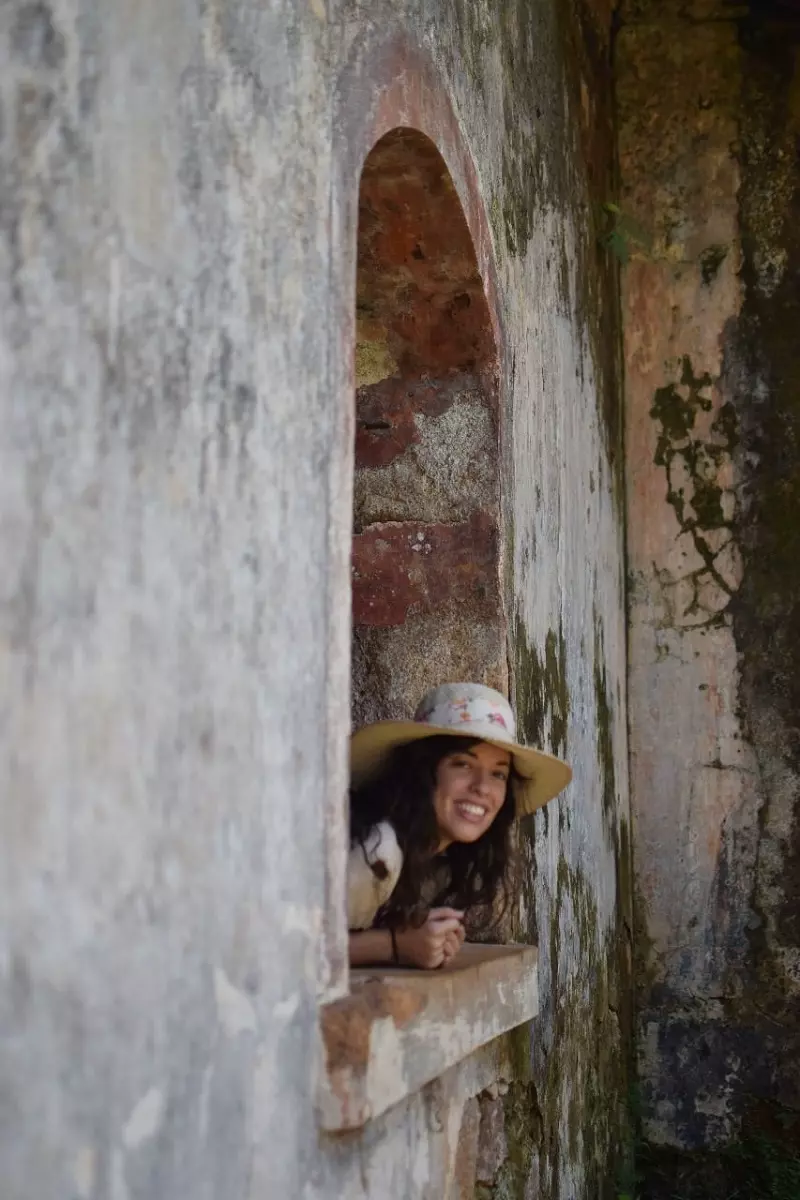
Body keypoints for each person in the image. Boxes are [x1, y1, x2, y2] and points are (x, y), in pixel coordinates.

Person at [347, 682, 572, 970]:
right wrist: (396, 945)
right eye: (463, 764)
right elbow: (285, 953)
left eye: (498, 774)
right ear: (423, 772)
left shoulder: (433, 859)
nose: (482, 788)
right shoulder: (378, 847)